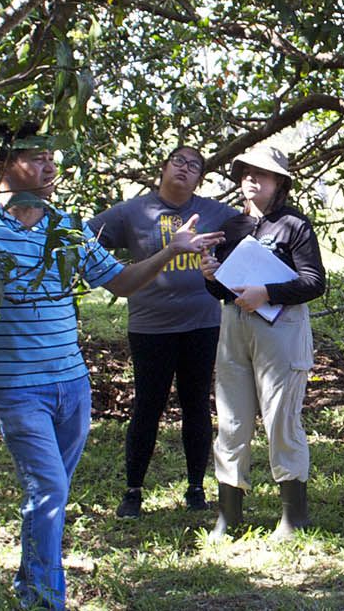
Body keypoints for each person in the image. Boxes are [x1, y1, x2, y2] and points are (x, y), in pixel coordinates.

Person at [0, 124, 222, 609]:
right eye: (37, 158)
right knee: (48, 487)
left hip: (71, 382)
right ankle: (47, 601)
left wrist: (170, 252)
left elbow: (119, 283)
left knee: (49, 496)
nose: (51, 168)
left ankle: (29, 588)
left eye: (53, 158)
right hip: (12, 385)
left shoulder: (64, 226)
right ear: (4, 163)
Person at [90, 146, 241, 518]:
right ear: (163, 168)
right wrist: (114, 275)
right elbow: (83, 238)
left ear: (200, 179)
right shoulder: (133, 211)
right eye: (179, 162)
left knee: (196, 406)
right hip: (150, 326)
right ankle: (133, 492)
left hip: (202, 323)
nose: (185, 169)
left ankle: (195, 489)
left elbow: (254, 231)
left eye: (194, 166)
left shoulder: (213, 212)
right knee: (147, 406)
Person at [199, 145, 327, 538]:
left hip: (280, 326)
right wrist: (210, 275)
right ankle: (229, 512)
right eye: (245, 173)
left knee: (281, 419)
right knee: (232, 419)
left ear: (280, 183)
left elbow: (314, 281)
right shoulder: (233, 227)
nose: (251, 179)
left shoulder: (295, 226)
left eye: (262, 174)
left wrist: (267, 292)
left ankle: (293, 516)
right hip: (234, 327)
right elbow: (223, 290)